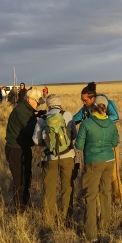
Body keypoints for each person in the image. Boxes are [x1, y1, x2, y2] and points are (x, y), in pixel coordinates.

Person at [75, 95, 120, 241]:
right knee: (106, 193)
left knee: (90, 195)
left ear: (93, 106)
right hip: (109, 162)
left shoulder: (87, 124)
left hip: (93, 163)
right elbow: (115, 142)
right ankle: (105, 227)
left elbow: (79, 146)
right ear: (106, 108)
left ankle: (91, 233)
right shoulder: (111, 124)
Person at [32, 94, 77, 226]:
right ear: (59, 103)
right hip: (68, 156)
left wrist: (47, 144)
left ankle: (49, 218)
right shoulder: (68, 115)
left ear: (48, 104)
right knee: (67, 188)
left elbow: (35, 140)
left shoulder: (42, 119)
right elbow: (74, 134)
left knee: (49, 188)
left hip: (49, 157)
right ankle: (66, 218)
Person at [5, 87, 41, 213]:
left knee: (27, 176)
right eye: (37, 102)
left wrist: (38, 115)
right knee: (19, 179)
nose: (38, 104)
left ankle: (25, 203)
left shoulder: (27, 109)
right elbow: (32, 130)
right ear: (30, 100)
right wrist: (42, 123)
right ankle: (20, 207)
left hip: (24, 148)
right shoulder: (22, 111)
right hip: (16, 150)